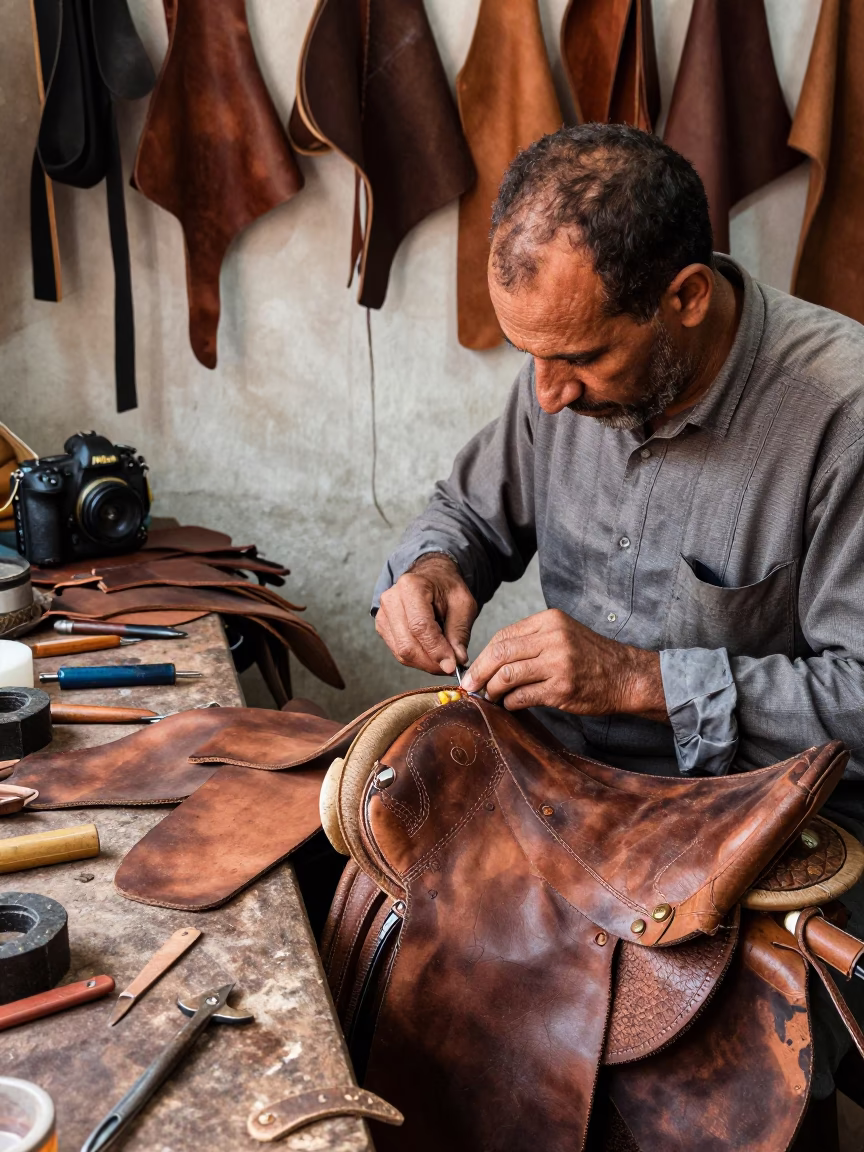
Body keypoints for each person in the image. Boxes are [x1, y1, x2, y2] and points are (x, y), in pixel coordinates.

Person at [372, 123, 864, 1107]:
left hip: (758, 822)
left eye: (584, 359)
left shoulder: (841, 416)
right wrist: (433, 565)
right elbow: (467, 510)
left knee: (691, 1091)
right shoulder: (563, 374)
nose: (547, 397)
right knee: (383, 952)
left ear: (684, 298)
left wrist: (640, 680)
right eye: (532, 359)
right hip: (564, 790)